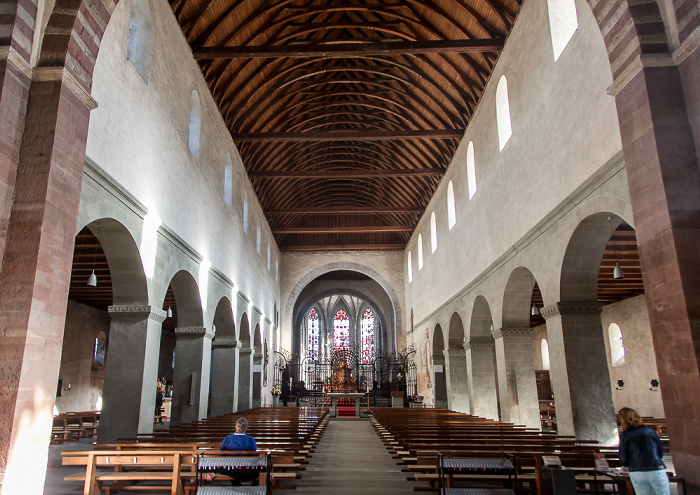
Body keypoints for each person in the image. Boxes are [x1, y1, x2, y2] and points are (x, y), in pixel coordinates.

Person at [618, 407, 669, 495]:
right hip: (655, 468)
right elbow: (661, 451)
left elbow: (623, 457)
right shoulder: (650, 431)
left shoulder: (625, 435)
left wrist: (626, 465)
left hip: (637, 471)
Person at [204, 417, 259, 486]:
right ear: (246, 428)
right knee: (259, 472)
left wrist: (213, 472)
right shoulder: (250, 439)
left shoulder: (228, 438)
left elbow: (220, 455)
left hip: (231, 470)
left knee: (228, 468)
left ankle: (236, 486)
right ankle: (253, 489)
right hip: (246, 470)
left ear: (235, 427)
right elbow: (256, 456)